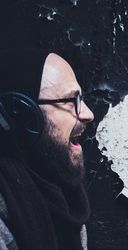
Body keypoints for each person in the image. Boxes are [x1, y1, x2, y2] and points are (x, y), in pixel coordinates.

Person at [0, 50, 94, 250]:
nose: (88, 114)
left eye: (82, 98)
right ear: (23, 113)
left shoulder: (67, 200)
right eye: (71, 101)